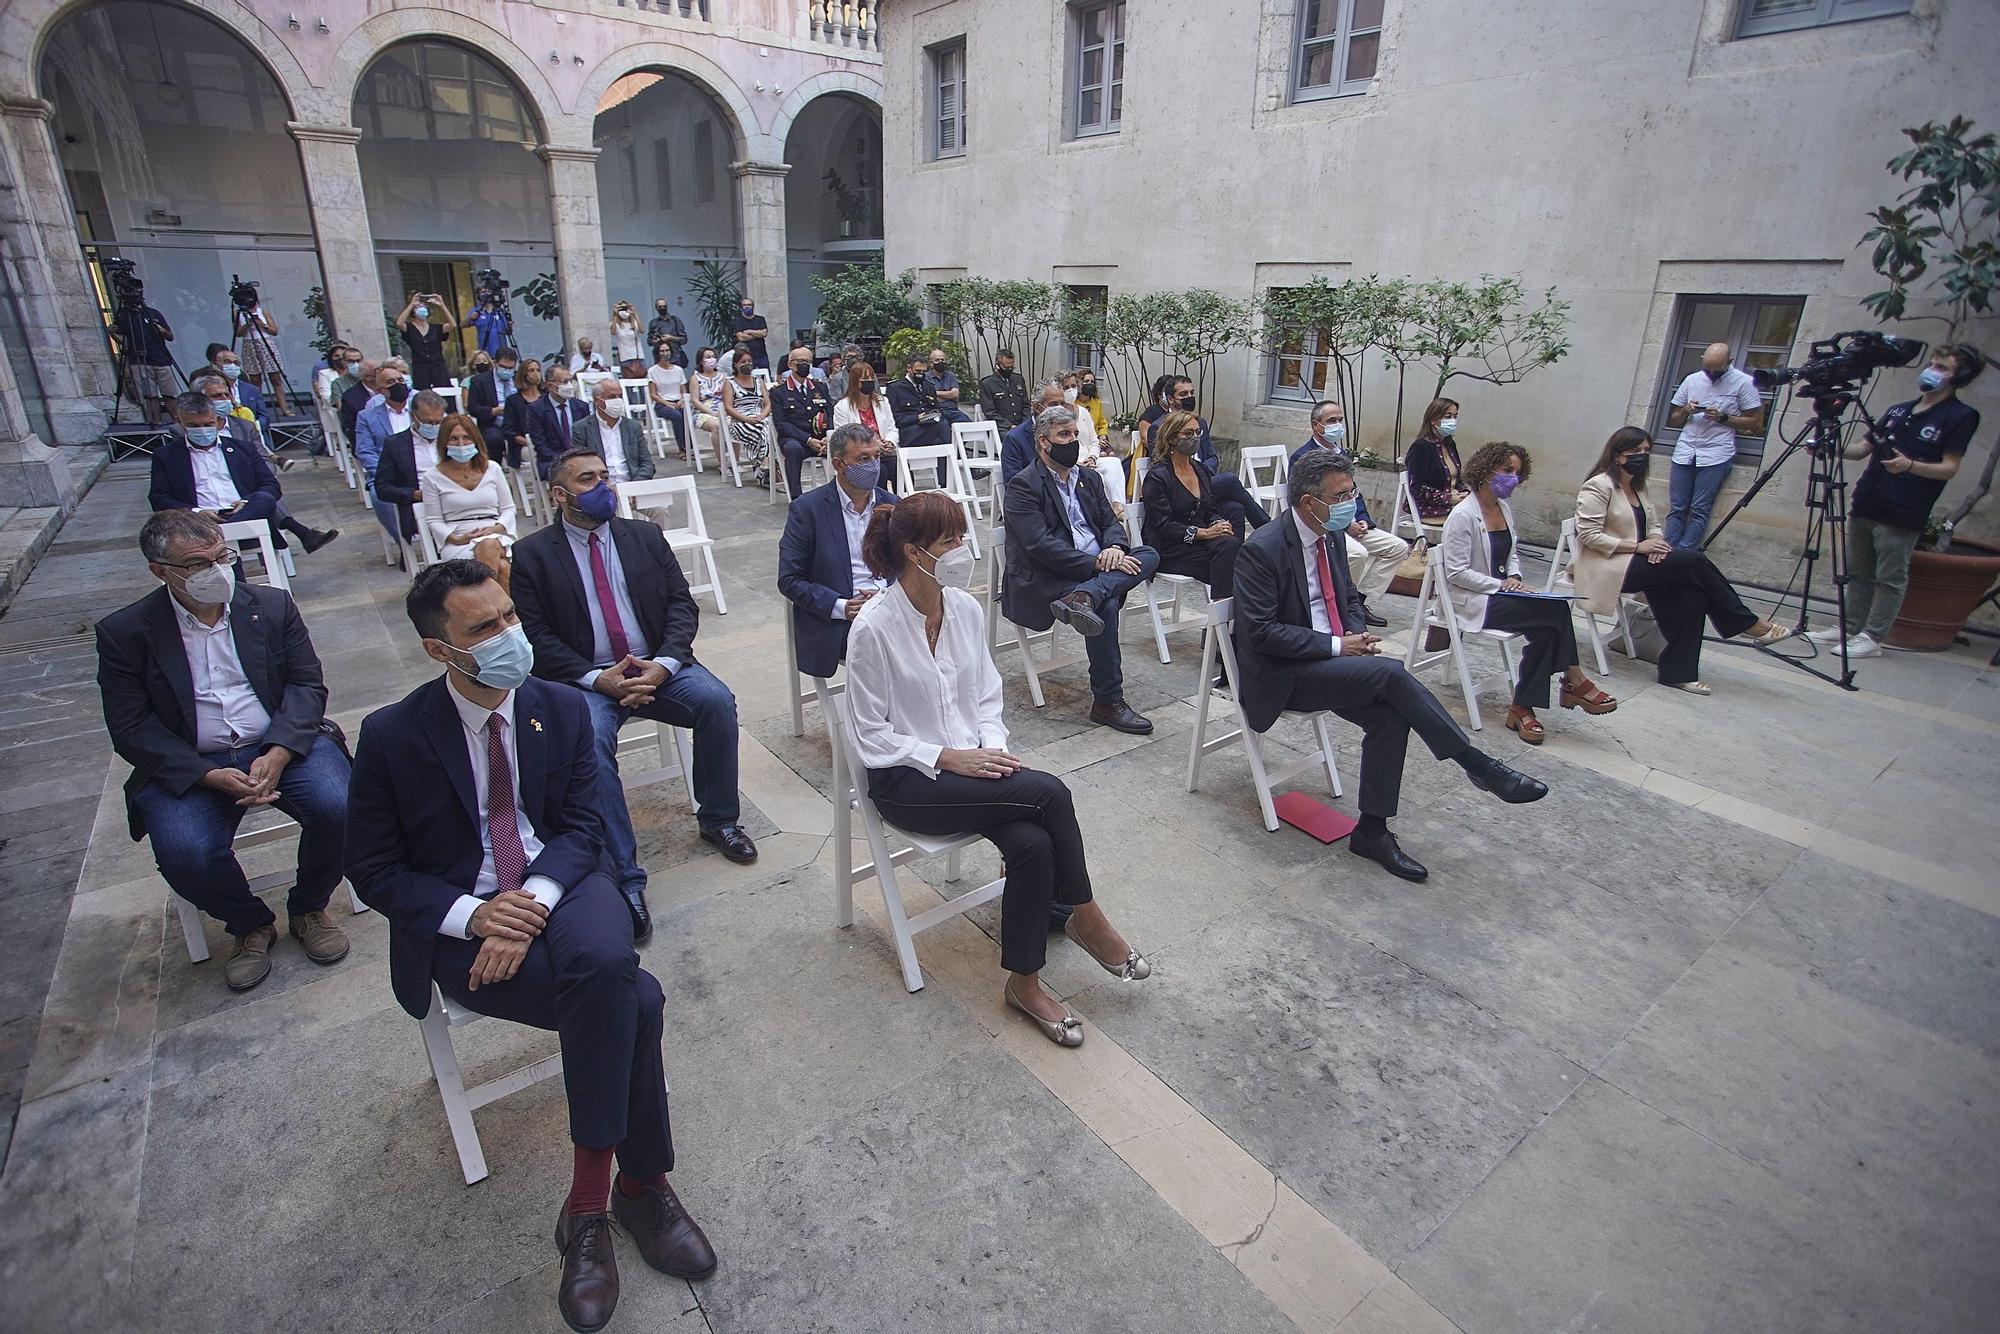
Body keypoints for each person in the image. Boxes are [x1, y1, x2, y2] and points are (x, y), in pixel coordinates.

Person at [347, 560, 717, 1332]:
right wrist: (475, 917)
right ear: (437, 649)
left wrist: (531, 900)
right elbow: (375, 871)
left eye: (509, 616)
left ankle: (585, 1209)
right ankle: (639, 1186)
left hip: (560, 882)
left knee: (609, 964)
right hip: (462, 918)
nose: (507, 636)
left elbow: (584, 826)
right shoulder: (392, 735)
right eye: (482, 628)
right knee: (634, 998)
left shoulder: (559, 706)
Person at [846, 491, 1151, 1044]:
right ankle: (1085, 914)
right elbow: (869, 735)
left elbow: (987, 697)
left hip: (973, 768)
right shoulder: (873, 627)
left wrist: (990, 749)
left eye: (963, 536)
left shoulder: (961, 608)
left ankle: (1024, 984)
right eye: (950, 542)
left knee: (1033, 846)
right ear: (915, 553)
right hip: (906, 778)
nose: (964, 549)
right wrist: (948, 756)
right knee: (1051, 794)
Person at [1234, 449, 1549, 880]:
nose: (1351, 501)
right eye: (1341, 494)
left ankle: (1372, 831)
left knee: (1389, 716)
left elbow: (1348, 596)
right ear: (1309, 502)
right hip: (1284, 673)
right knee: (1391, 673)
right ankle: (1477, 766)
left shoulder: (1328, 538)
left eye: (1352, 491)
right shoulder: (1263, 549)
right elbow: (1261, 634)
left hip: (1332, 661)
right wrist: (1337, 645)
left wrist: (1357, 634)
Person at [97, 509, 351, 991]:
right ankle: (249, 923)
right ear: (161, 571)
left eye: (222, 557)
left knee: (343, 806)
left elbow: (305, 684)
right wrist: (205, 775)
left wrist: (278, 750)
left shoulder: (271, 606)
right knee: (185, 851)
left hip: (279, 743)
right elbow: (131, 726)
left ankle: (309, 907)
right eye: (197, 564)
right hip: (193, 762)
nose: (216, 572)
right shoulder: (127, 633)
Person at [511, 448, 758, 939]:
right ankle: (624, 876)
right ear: (560, 495)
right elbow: (535, 637)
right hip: (588, 678)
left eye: (606, 475)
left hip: (655, 664)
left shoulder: (644, 537)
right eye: (588, 479)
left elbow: (681, 606)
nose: (604, 486)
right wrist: (595, 678)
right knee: (590, 743)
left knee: (716, 702)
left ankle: (719, 819)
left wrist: (664, 665)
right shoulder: (534, 554)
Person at [1575, 427, 1793, 694]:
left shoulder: (1636, 486)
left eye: (1646, 451)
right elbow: (1589, 535)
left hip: (1636, 561)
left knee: (1692, 592)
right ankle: (1744, 622)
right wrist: (1639, 546)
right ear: (1619, 456)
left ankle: (1677, 673)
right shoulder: (1598, 485)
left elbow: (1653, 524)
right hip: (1607, 566)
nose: (1643, 456)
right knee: (1692, 561)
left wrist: (1658, 545)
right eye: (1636, 451)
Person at [1812, 342, 1985, 658]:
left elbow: (1950, 467)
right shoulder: (1899, 409)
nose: (1931, 371)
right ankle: (1849, 626)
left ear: (1959, 377)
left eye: (1942, 367)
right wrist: (1828, 446)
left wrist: (1911, 466)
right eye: (1932, 364)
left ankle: (1872, 635)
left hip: (1905, 507)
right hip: (1868, 499)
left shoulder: (1960, 416)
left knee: (1890, 576)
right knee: (1858, 571)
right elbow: (1863, 448)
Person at [1440, 442, 1617, 744]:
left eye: (1518, 473)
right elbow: (1456, 573)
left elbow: (1512, 554)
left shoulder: (1504, 509)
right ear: (1485, 470)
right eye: (1507, 471)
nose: (1513, 478)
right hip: (1474, 599)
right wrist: (1500, 584)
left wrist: (1516, 576)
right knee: (1554, 613)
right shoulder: (1463, 515)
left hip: (1504, 594)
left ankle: (1523, 707)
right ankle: (1573, 681)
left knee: (1548, 628)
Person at [1003, 405, 1160, 735]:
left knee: (1148, 554)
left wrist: (1115, 548)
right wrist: (1097, 563)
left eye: (1075, 434)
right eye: (1064, 435)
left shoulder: (1089, 478)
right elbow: (1040, 546)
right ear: (1044, 442)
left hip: (1095, 571)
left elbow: (1109, 522)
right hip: (1050, 575)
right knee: (1108, 602)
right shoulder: (1023, 485)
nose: (1073, 441)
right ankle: (1107, 701)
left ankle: (1085, 595)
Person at [777, 423, 899, 680]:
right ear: (839, 464)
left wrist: (885, 593)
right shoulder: (807, 510)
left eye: (876, 456)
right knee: (888, 648)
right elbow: (789, 579)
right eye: (863, 459)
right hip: (840, 619)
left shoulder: (892, 505)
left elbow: (907, 565)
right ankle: (882, 716)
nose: (873, 465)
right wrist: (842, 606)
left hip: (889, 605)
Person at [189, 374, 338, 554]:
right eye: (216, 396)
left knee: (265, 493)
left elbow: (262, 459)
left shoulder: (244, 426)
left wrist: (258, 484)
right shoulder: (184, 433)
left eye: (226, 395)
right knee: (265, 500)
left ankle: (296, 534)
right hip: (209, 501)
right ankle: (301, 533)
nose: (223, 400)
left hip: (247, 492)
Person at [1291, 400, 1408, 626]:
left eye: (1340, 420)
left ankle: (1360, 602)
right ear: (1317, 426)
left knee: (1397, 547)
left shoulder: (1341, 453)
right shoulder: (1303, 457)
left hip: (1351, 521)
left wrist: (1363, 520)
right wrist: (1346, 526)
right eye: (1331, 421)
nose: (1338, 425)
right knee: (1358, 554)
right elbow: (1306, 502)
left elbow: (1355, 493)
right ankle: (1337, 605)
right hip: (1325, 525)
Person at [1664, 343, 1763, 549]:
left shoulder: (1744, 383)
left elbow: (1755, 423)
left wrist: (1724, 417)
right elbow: (1672, 421)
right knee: (1677, 507)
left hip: (1716, 453)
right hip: (1685, 450)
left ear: (1730, 362)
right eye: (1707, 369)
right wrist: (1685, 411)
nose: (1710, 375)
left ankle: (1685, 554)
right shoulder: (1692, 380)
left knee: (1699, 508)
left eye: (1716, 371)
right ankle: (1667, 550)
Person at [149, 392, 283, 545]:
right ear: (179, 422)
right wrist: (197, 513)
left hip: (244, 514)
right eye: (193, 426)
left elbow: (271, 486)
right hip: (200, 523)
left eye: (208, 424)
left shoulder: (243, 449)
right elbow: (158, 499)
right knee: (218, 550)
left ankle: (224, 532)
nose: (202, 430)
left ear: (218, 422)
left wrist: (246, 502)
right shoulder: (166, 456)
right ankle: (224, 536)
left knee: (264, 499)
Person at [1142, 410, 1241, 598]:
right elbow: (1162, 525)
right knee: (1231, 566)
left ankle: (1220, 618)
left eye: (1197, 432)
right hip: (1170, 548)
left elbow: (1209, 508)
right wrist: (1204, 533)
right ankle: (1223, 620)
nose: (1195, 438)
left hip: (1200, 542)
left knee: (1230, 545)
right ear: (1172, 438)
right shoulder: (1158, 476)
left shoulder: (1200, 469)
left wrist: (1217, 523)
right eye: (1188, 434)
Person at [422, 411, 519, 585]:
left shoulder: (493, 468)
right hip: (459, 539)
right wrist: (457, 538)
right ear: (444, 443)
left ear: (475, 440)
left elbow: (508, 508)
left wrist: (496, 528)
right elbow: (434, 520)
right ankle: (502, 607)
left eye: (466, 438)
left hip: (494, 531)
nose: (461, 444)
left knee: (490, 545)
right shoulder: (432, 477)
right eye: (453, 439)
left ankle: (484, 604)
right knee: (503, 567)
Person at [372, 388, 445, 551]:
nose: (433, 426)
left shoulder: (452, 439)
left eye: (438, 422)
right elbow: (383, 488)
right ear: (414, 416)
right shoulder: (395, 445)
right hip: (421, 502)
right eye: (427, 422)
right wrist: (413, 494)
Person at [356, 366, 415, 547]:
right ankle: (404, 545)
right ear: (380, 390)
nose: (397, 385)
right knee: (379, 496)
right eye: (390, 382)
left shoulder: (421, 410)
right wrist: (384, 472)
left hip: (419, 467)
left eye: (400, 380)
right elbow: (365, 451)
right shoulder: (367, 416)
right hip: (387, 473)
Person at [769, 346, 832, 498]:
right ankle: (796, 497)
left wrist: (828, 436)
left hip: (821, 440)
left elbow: (830, 413)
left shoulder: (820, 388)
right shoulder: (779, 392)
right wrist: (808, 440)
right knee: (793, 449)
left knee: (846, 446)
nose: (804, 364)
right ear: (790, 364)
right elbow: (782, 424)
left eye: (808, 361)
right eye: (800, 361)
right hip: (796, 439)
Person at [114, 289, 178, 424]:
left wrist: (162, 330)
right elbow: (124, 340)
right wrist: (112, 333)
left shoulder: (153, 313)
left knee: (170, 395)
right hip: (139, 361)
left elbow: (170, 337)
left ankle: (179, 423)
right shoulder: (124, 315)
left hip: (161, 359)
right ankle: (156, 424)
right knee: (150, 396)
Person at [586, 377, 657, 488]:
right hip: (601, 487)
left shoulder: (633, 427)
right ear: (597, 400)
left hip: (633, 484)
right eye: (612, 397)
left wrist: (635, 485)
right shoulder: (583, 428)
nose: (618, 400)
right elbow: (582, 466)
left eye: (620, 396)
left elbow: (647, 464)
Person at [1405, 397, 1465, 519]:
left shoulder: (1449, 444)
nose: (1453, 421)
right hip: (1430, 509)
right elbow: (1417, 489)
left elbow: (1456, 479)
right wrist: (1447, 498)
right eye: (1448, 417)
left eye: (1455, 416)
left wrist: (1465, 493)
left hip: (1455, 506)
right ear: (1434, 420)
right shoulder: (1420, 448)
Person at [722, 349, 772, 485]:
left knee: (769, 426)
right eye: (743, 362)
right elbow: (728, 407)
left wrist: (761, 415)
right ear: (736, 365)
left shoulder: (759, 382)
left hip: (759, 418)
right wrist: (746, 419)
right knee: (766, 430)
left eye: (749, 361)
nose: (747, 364)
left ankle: (762, 466)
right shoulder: (729, 383)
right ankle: (765, 464)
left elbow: (768, 404)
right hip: (739, 420)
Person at [207, 346, 273, 444]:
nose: (232, 365)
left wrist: (253, 427)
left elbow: (264, 417)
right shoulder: (209, 387)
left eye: (236, 363)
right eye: (227, 362)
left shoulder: (252, 390)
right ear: (217, 364)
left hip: (251, 434)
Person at [230, 293, 286, 409]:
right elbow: (238, 333)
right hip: (249, 344)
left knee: (276, 378)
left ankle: (284, 408)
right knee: (255, 380)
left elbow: (274, 331)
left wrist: (262, 324)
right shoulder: (238, 313)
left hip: (265, 343)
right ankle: (259, 408)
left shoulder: (263, 312)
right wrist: (248, 324)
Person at [466, 346, 517, 465]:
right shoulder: (479, 381)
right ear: (495, 363)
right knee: (493, 439)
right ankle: (495, 470)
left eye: (510, 368)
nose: (507, 370)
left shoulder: (517, 378)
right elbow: (473, 408)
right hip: (494, 424)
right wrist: (494, 411)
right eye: (503, 367)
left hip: (517, 425)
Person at [395, 291, 456, 390]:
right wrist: (412, 304)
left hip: (438, 366)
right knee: (423, 394)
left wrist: (442, 305)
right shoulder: (410, 328)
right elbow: (399, 323)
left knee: (444, 392)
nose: (422, 309)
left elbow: (453, 325)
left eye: (423, 307)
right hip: (420, 367)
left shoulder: (436, 328)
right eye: (418, 307)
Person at [645, 342, 691, 459]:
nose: (665, 354)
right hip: (662, 403)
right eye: (662, 351)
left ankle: (690, 447)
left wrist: (681, 400)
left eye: (667, 350)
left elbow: (683, 390)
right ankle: (683, 448)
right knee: (676, 416)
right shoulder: (652, 371)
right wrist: (667, 403)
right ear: (657, 353)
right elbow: (653, 394)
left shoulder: (678, 370)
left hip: (678, 401)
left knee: (686, 414)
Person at [978, 349, 1030, 430]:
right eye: (1006, 368)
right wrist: (1009, 425)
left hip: (1021, 424)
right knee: (1013, 438)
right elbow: (990, 412)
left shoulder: (1018, 379)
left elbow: (1026, 405)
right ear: (997, 365)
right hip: (1002, 427)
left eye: (1011, 367)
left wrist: (1025, 423)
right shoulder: (988, 384)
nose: (1009, 370)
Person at [339, 357, 378, 445]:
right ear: (368, 377)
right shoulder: (351, 398)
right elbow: (353, 429)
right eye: (378, 370)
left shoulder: (387, 390)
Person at [927, 350, 970, 425]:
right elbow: (927, 396)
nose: (940, 362)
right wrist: (948, 394)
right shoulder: (926, 377)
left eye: (942, 360)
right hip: (936, 412)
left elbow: (955, 395)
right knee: (943, 427)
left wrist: (935, 393)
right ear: (931, 363)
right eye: (937, 360)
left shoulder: (951, 376)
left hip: (953, 411)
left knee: (969, 426)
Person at [730, 296, 770, 371]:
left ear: (753, 306)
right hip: (746, 356)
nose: (747, 307)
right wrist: (758, 334)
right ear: (741, 307)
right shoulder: (738, 321)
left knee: (765, 375)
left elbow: (764, 334)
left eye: (749, 305)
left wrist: (749, 331)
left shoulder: (760, 319)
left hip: (761, 354)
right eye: (745, 305)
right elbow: (741, 338)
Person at [647, 299, 688, 368]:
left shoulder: (675, 320)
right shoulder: (653, 323)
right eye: (660, 307)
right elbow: (649, 342)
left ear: (667, 307)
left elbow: (684, 340)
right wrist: (654, 341)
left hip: (675, 358)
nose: (662, 308)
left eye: (664, 306)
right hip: (659, 359)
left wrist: (671, 338)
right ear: (656, 308)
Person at [469, 294, 511, 360]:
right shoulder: (477, 310)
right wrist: (470, 318)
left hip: (502, 352)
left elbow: (507, 331)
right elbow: (462, 325)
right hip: (485, 353)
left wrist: (510, 326)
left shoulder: (500, 311)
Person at [610, 300, 645, 374]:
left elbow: (642, 330)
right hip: (625, 358)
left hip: (638, 357)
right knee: (628, 381)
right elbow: (612, 332)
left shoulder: (634, 322)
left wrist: (634, 313)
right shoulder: (616, 324)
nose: (623, 311)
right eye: (621, 308)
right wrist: (615, 314)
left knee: (642, 379)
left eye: (625, 308)